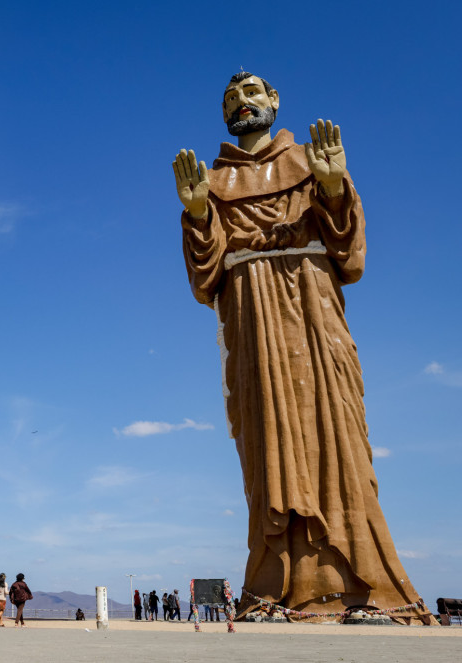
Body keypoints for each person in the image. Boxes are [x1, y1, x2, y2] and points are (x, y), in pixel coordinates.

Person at [173, 72, 427, 621]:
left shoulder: (313, 162)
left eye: (253, 93)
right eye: (232, 98)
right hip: (251, 324)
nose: (244, 103)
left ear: (275, 102)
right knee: (266, 444)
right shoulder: (212, 182)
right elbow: (204, 277)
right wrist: (197, 214)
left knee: (338, 437)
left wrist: (334, 188)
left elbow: (349, 256)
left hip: (312, 313)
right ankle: (276, 587)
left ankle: (362, 587)